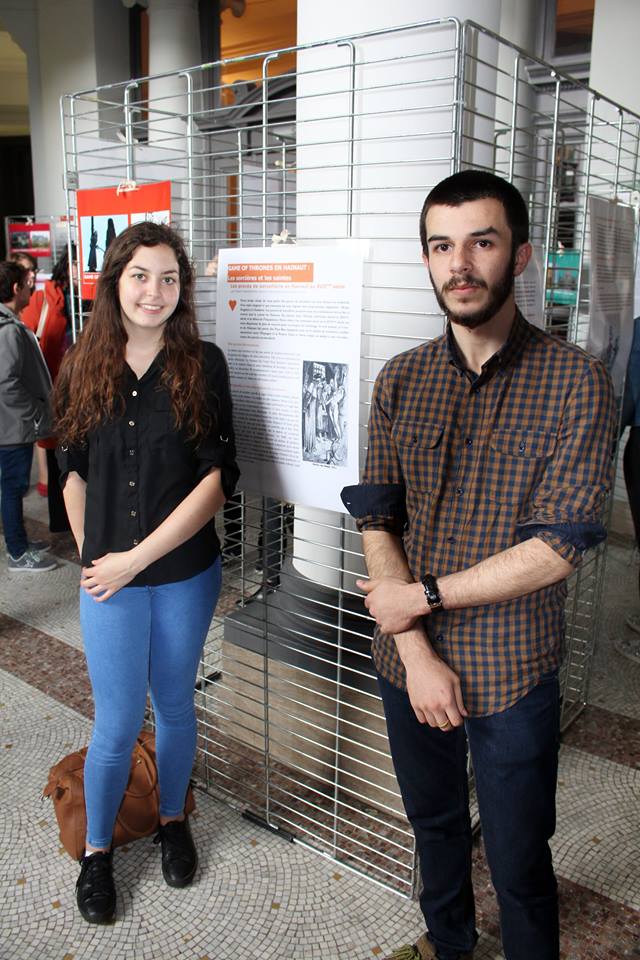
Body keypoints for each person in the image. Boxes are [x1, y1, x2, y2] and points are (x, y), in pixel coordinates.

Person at [340, 170, 615, 960]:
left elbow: (556, 548)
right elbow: (378, 516)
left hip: (512, 670)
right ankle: (448, 944)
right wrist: (416, 648)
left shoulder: (575, 382)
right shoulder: (401, 379)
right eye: (441, 246)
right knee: (433, 825)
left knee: (520, 854)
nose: (459, 264)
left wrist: (419, 597)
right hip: (407, 662)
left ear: (519, 255)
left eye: (481, 243)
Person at [53, 221, 239, 924]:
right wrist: (93, 552)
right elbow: (70, 471)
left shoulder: (203, 365)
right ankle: (98, 853)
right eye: (140, 276)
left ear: (183, 288)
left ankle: (172, 819)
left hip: (185, 573)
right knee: (117, 721)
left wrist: (136, 558)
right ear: (115, 282)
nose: (154, 291)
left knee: (177, 703)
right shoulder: (82, 365)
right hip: (109, 581)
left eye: (169, 278)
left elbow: (216, 480)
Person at [0, 261, 56, 572]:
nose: (31, 289)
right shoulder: (8, 330)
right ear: (15, 288)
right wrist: (35, 412)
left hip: (11, 424)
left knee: (13, 487)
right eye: (26, 283)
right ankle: (18, 553)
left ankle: (19, 542)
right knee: (13, 488)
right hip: (12, 427)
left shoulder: (9, 324)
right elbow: (6, 382)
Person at [22, 246, 78, 533]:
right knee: (59, 455)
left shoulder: (97, 296)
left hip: (86, 388)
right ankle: (62, 523)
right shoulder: (44, 298)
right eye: (76, 264)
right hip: (54, 390)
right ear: (67, 265)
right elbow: (28, 344)